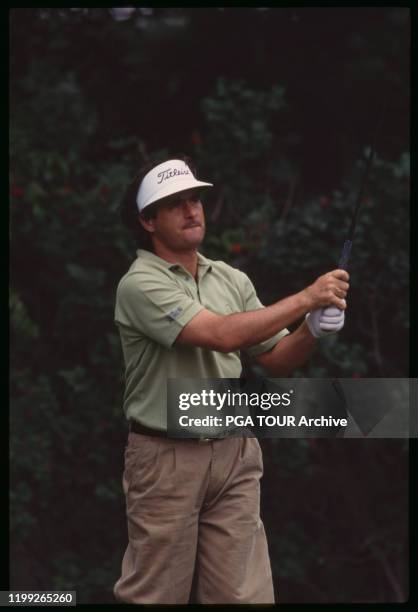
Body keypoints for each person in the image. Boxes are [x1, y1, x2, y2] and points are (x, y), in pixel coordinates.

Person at [113, 155, 349, 604]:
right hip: (166, 458)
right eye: (175, 203)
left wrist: (310, 330)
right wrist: (306, 297)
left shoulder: (230, 278)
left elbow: (277, 360)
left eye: (195, 199)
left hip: (236, 452)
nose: (191, 210)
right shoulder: (139, 284)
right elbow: (220, 336)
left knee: (246, 598)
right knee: (156, 597)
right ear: (147, 220)